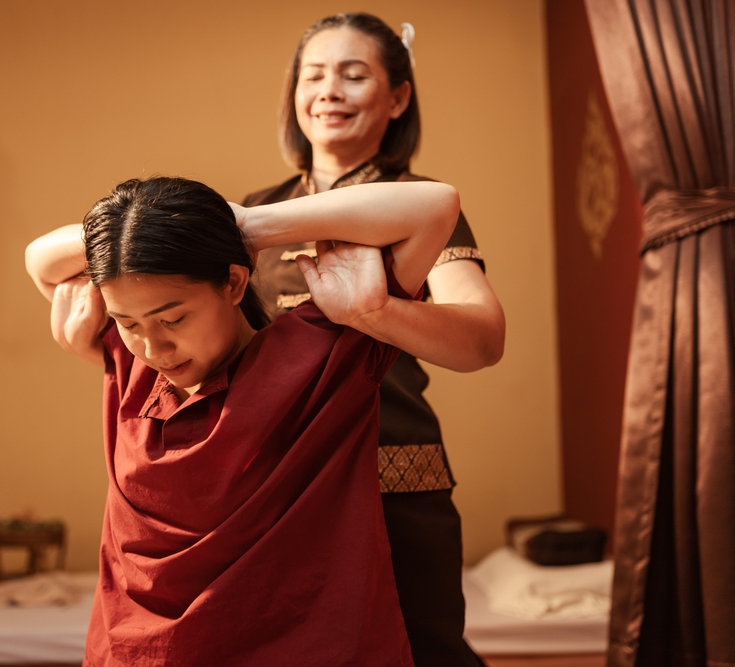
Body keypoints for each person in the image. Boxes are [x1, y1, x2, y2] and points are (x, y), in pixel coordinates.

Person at [26, 176, 460, 666]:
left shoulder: (320, 355)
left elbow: (433, 206)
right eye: (129, 324)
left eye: (173, 320)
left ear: (233, 283)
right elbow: (39, 259)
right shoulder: (135, 370)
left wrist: (246, 226)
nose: (153, 347)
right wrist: (133, 231)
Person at [241, 13, 505, 667]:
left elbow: (482, 338)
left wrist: (372, 310)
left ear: (398, 98)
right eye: (315, 75)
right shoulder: (255, 212)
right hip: (282, 486)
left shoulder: (424, 202)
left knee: (422, 650)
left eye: (354, 75)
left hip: (396, 474)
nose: (329, 91)